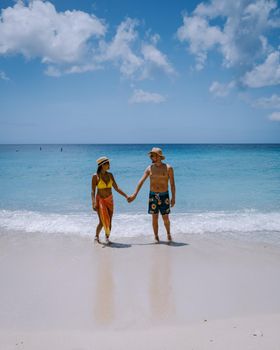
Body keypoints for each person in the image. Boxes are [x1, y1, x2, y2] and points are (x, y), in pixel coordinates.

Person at [128, 147, 176, 242]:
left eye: (152, 155)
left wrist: (173, 198)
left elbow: (172, 184)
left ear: (158, 157)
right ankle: (156, 237)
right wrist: (134, 194)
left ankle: (168, 234)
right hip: (153, 195)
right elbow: (141, 181)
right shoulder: (149, 168)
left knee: (165, 218)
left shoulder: (168, 168)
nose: (150, 157)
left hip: (164, 196)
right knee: (154, 218)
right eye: (150, 155)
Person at [91, 156, 128, 244]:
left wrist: (126, 196)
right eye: (107, 163)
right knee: (102, 221)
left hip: (109, 200)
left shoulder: (110, 175)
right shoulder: (95, 176)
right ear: (102, 165)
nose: (109, 165)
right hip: (100, 200)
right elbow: (93, 191)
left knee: (110, 220)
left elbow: (116, 187)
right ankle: (96, 236)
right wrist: (93, 202)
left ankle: (107, 238)